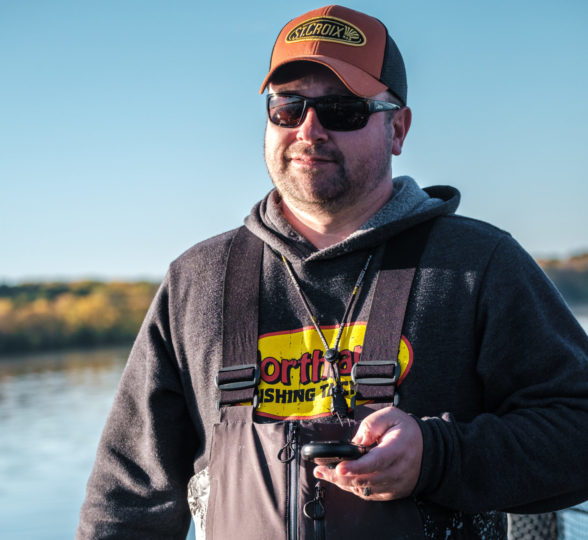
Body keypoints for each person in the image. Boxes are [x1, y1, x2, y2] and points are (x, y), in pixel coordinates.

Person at [77, 5, 588, 539]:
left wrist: (437, 455)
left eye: (342, 109)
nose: (309, 128)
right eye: (288, 107)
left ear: (398, 128)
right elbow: (126, 502)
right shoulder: (195, 281)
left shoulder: (479, 265)